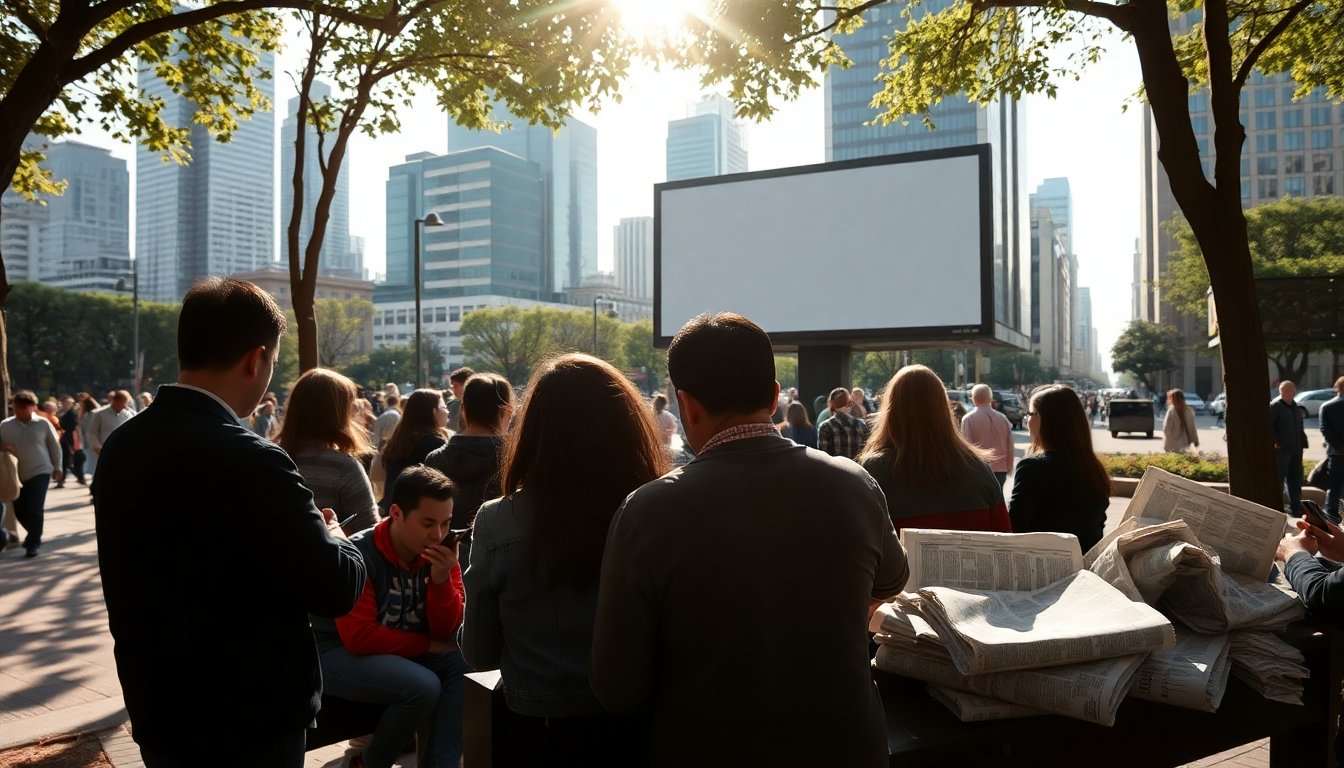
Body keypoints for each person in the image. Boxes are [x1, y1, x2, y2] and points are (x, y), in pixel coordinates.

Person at [590, 313, 908, 767]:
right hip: (848, 745)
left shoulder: (647, 512)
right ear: (776, 396)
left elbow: (617, 687)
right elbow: (893, 579)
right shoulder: (854, 484)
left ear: (687, 405)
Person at [94, 277, 367, 768]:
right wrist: (337, 538)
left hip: (159, 705)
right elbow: (334, 588)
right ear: (255, 358)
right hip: (251, 718)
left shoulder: (122, 446)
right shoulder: (252, 458)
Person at [462, 354, 664, 765]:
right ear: (628, 426)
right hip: (641, 725)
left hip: (539, 727)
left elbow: (479, 651)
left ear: (534, 429)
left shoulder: (498, 521)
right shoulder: (659, 511)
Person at [311, 465, 467, 768]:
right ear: (396, 513)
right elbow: (359, 637)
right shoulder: (360, 552)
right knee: (422, 686)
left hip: (395, 649)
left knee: (462, 664)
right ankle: (368, 763)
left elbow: (448, 632)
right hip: (334, 651)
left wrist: (440, 580)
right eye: (427, 523)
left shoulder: (442, 553)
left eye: (446, 524)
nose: (438, 535)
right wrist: (428, 646)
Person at [858, 367, 1009, 533]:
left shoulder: (874, 472)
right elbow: (1004, 538)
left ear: (891, 412)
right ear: (944, 411)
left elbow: (859, 542)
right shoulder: (979, 469)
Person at [275, 368, 381, 536]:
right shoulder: (343, 467)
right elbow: (369, 531)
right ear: (338, 414)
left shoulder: (271, 458)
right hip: (329, 559)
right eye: (350, 408)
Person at [1009, 384, 1111, 553]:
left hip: (1045, 571)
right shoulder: (1092, 468)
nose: (1027, 420)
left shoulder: (1033, 467)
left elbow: (1014, 528)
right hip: (1085, 570)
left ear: (1048, 420)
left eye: (1031, 414)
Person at [425, 372, 513, 564]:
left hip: (446, 562)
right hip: (504, 562)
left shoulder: (435, 460)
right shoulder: (514, 459)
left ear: (463, 409)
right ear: (507, 410)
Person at [0, 390, 62, 557]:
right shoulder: (5, 426)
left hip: (40, 471)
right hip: (15, 474)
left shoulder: (43, 423)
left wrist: (58, 467)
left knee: (35, 507)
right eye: (19, 408)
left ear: (33, 407)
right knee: (20, 509)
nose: (22, 411)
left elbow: (55, 447)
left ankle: (33, 543)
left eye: (26, 408)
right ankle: (33, 534)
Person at [378, 389, 449, 512]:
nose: (447, 412)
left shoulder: (396, 442)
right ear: (433, 412)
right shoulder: (434, 443)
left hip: (394, 510)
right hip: (419, 512)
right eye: (443, 407)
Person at [960, 383, 1015, 486]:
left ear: (973, 398)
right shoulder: (1003, 418)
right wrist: (1009, 466)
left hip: (979, 469)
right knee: (998, 499)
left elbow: (967, 447)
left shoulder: (968, 419)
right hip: (1001, 469)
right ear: (990, 398)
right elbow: (1010, 445)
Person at [1272, 380, 1309, 515]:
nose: (1287, 393)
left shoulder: (1296, 407)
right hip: (1281, 450)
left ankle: (1295, 506)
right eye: (1283, 390)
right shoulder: (1275, 406)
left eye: (1290, 390)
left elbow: (1300, 427)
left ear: (1294, 391)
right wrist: (1277, 442)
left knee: (1296, 478)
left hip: (1296, 449)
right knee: (1279, 479)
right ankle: (1277, 506)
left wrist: (1303, 442)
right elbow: (1269, 427)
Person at [817, 386, 869, 460]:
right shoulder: (862, 425)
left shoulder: (825, 426)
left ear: (831, 404)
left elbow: (823, 458)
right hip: (857, 470)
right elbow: (866, 454)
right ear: (850, 403)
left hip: (835, 470)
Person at [87, 390, 134, 462]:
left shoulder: (129, 414)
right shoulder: (100, 414)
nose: (126, 406)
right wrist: (100, 449)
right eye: (124, 403)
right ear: (116, 401)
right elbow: (92, 434)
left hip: (125, 453)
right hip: (106, 453)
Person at [1322, 376, 1344, 521]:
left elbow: (1325, 430)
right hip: (1337, 452)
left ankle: (1331, 516)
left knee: (1334, 486)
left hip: (1336, 453)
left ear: (1337, 387)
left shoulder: (1327, 406)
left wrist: (1338, 446)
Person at [58, 395, 85, 485]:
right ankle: (64, 478)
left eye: (67, 403)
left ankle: (79, 476)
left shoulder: (72, 414)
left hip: (72, 438)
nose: (65, 405)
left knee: (73, 459)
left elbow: (75, 428)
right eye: (64, 403)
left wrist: (75, 442)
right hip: (67, 437)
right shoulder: (64, 413)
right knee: (66, 460)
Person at [1163, 389, 1200, 453]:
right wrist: (1195, 440)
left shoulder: (1171, 411)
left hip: (1171, 445)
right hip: (1184, 444)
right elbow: (1192, 429)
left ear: (1172, 399)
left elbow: (1166, 428)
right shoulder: (1189, 411)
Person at [444, 367, 475, 433]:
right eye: (452, 386)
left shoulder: (481, 405)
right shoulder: (450, 406)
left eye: (455, 386)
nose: (453, 389)